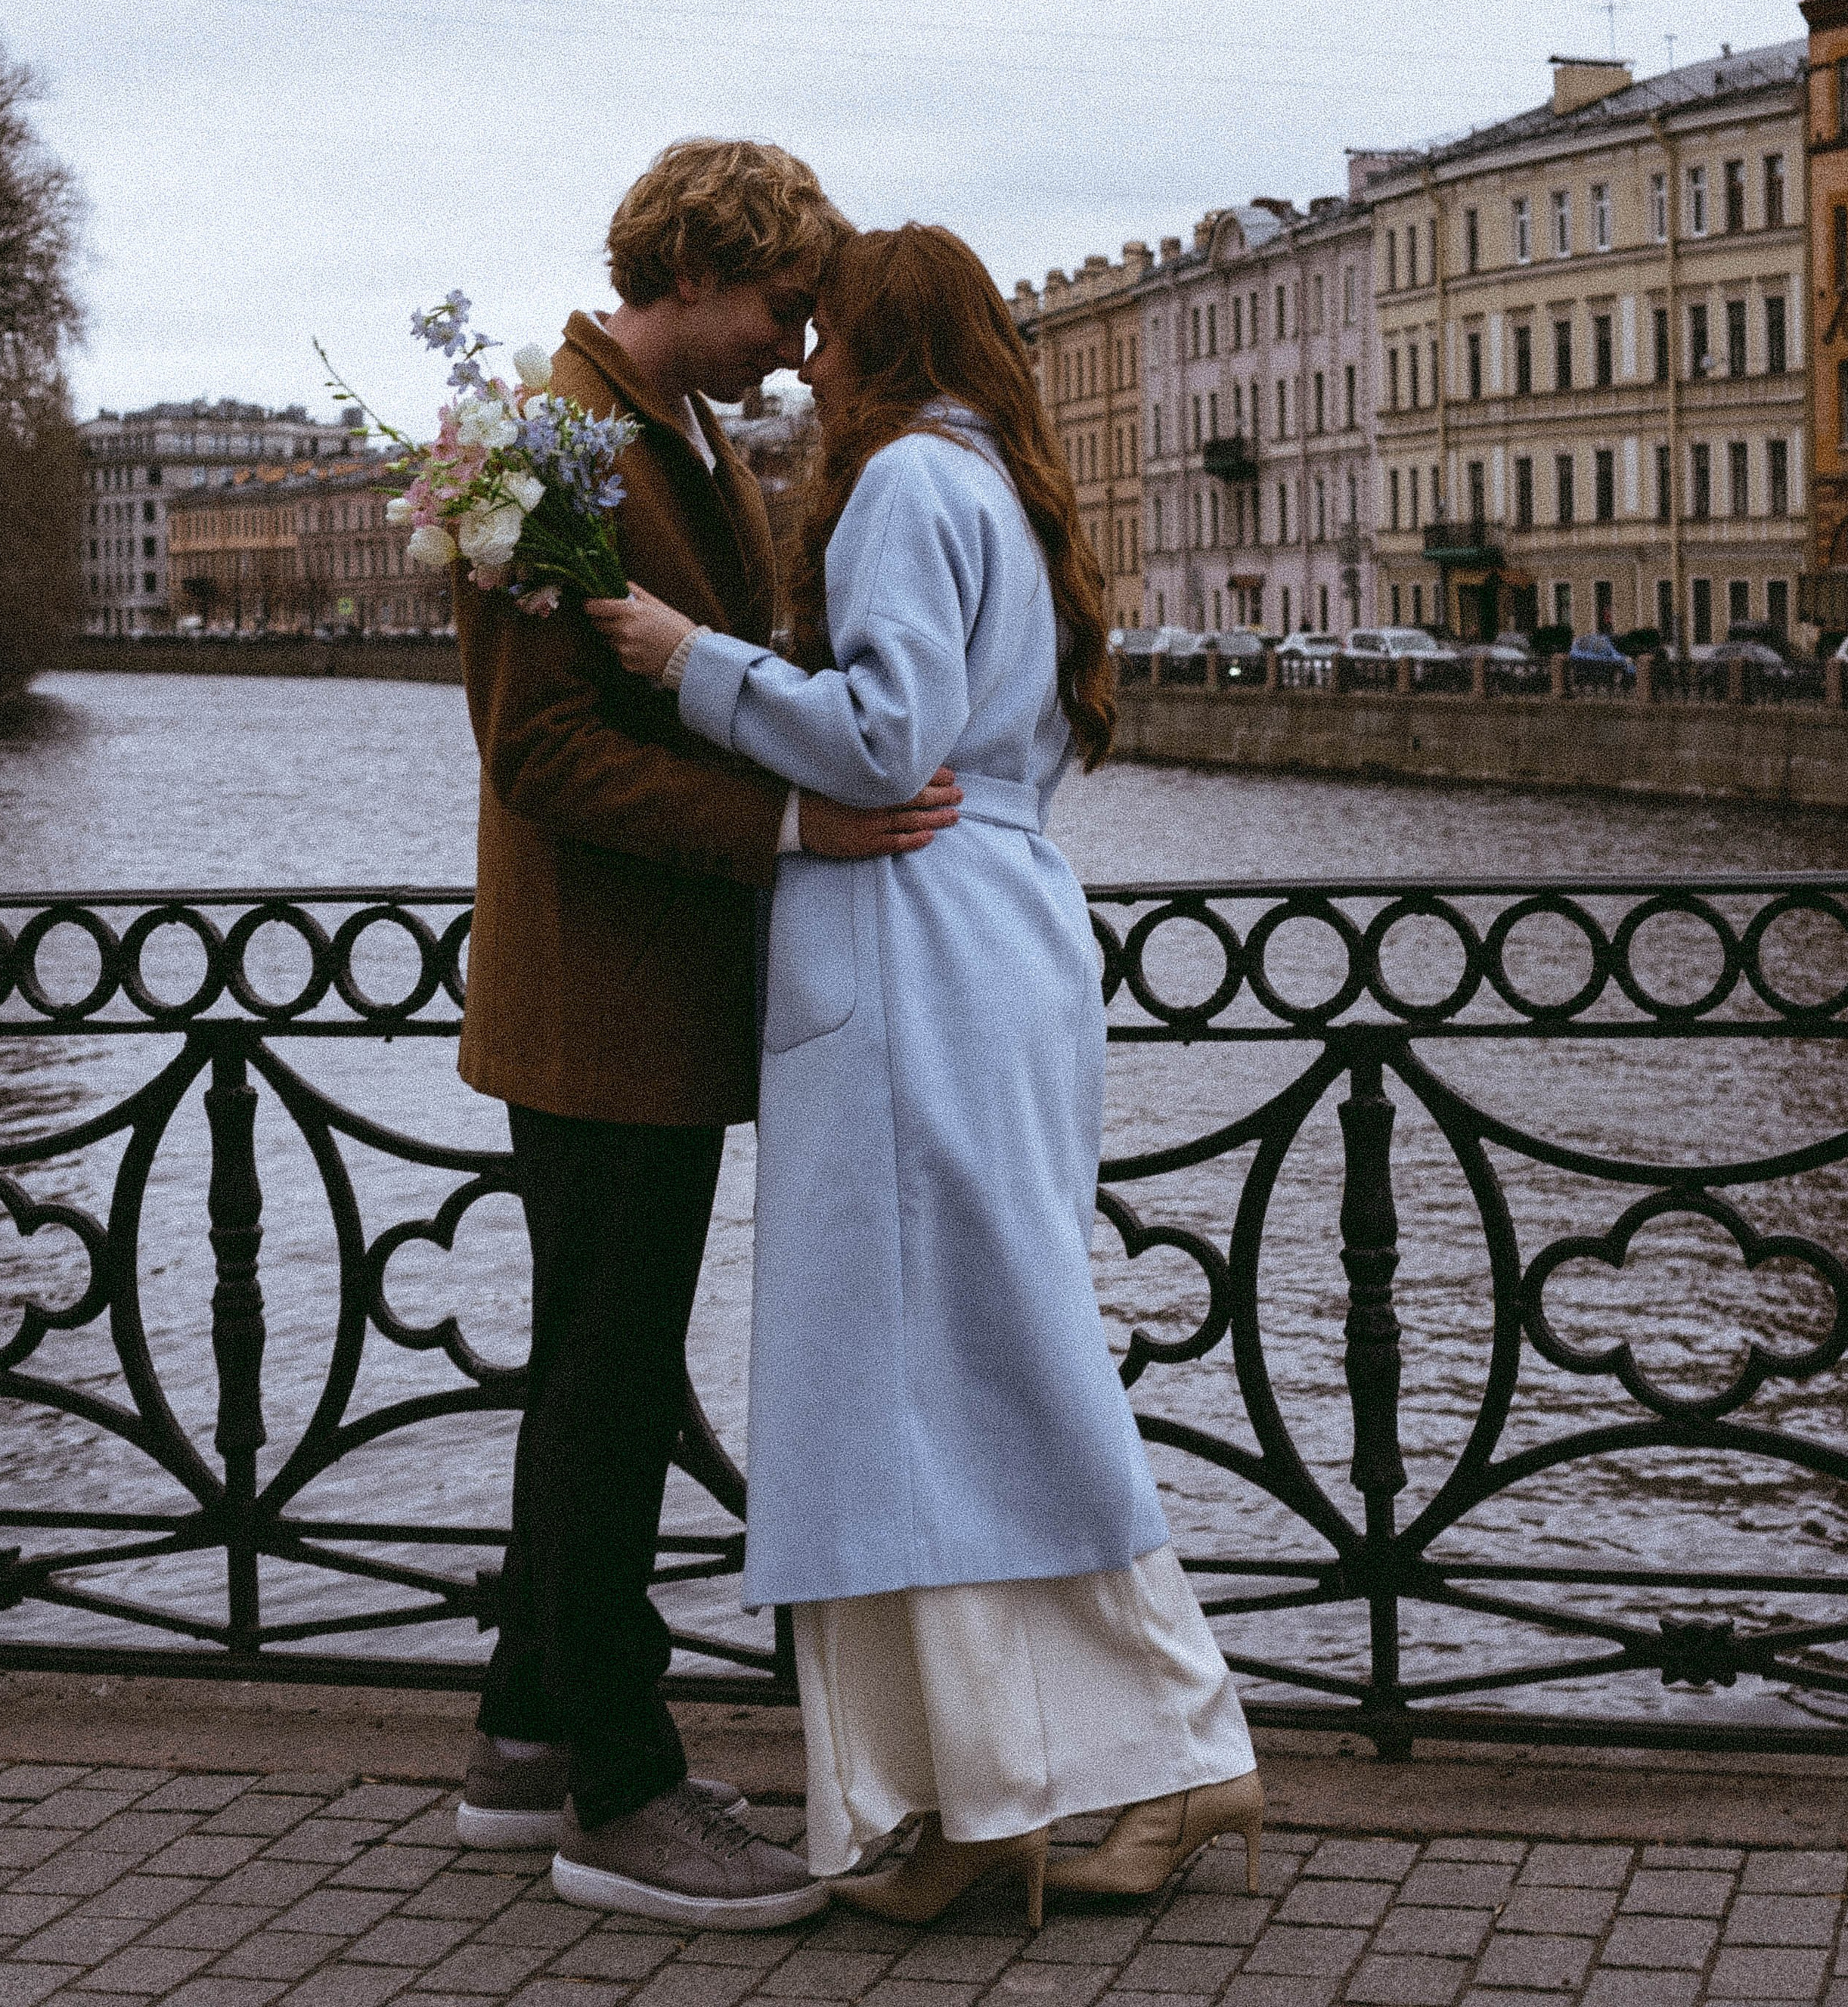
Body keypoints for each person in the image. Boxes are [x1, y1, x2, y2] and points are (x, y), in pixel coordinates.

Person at [586, 223, 1261, 1928]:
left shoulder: (896, 484)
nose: (804, 366)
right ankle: (990, 1791)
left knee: (939, 1372)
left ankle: (1135, 1756)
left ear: (878, 341)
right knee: (957, 1367)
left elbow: (890, 740)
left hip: (907, 948)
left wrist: (695, 663)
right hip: (990, 934)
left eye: (826, 337)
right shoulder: (1000, 489)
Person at [453, 142, 961, 1930]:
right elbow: (541, 754)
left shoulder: (666, 439)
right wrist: (786, 831)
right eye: (779, 304)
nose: (793, 342)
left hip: (655, 998)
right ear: (697, 266)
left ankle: (525, 1735)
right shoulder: (542, 437)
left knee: (604, 1370)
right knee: (605, 1391)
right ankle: (624, 1790)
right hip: (595, 1000)